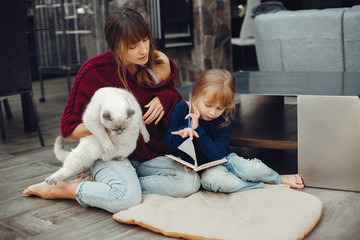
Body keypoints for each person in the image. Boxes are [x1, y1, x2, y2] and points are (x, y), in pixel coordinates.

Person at [23, 8, 201, 213]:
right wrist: (108, 126)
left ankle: (118, 184)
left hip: (146, 156)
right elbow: (69, 130)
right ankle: (67, 189)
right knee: (126, 199)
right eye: (133, 46)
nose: (143, 50)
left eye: (145, 40)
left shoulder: (155, 63)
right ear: (116, 47)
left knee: (190, 181)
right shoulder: (94, 72)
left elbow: (175, 102)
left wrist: (166, 97)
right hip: (107, 154)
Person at [165, 69, 304, 193]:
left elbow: (217, 154)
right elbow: (168, 145)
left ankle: (277, 178)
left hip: (222, 158)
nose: (212, 112)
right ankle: (261, 186)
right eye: (208, 105)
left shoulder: (225, 118)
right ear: (196, 95)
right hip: (199, 169)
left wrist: (198, 130)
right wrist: (183, 133)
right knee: (217, 181)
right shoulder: (181, 109)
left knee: (252, 169)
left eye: (220, 108)